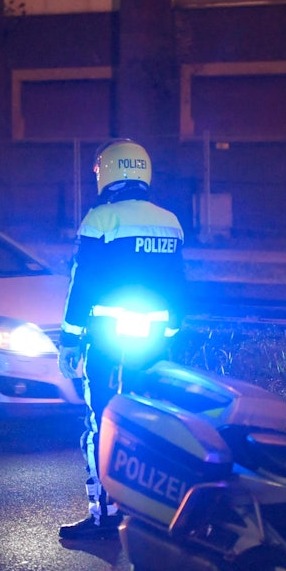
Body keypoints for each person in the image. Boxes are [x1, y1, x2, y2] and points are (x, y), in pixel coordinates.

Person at [57, 139, 186, 540]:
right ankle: (153, 512)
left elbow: (82, 284)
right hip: (154, 343)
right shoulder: (170, 221)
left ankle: (104, 514)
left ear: (108, 173)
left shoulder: (101, 219)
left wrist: (68, 339)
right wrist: (170, 333)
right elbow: (179, 286)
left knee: (103, 422)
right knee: (149, 422)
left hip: (108, 341)